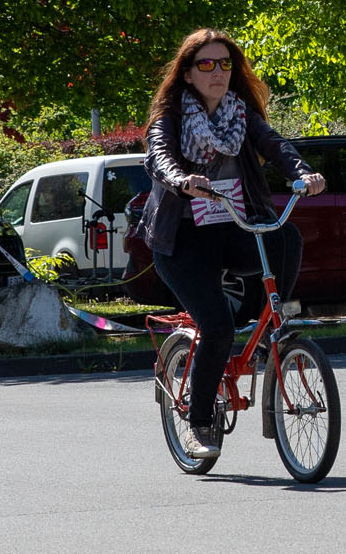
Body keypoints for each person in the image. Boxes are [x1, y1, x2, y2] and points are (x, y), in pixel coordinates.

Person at [139, 29, 326, 460]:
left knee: (287, 239)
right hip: (182, 239)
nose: (218, 72)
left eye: (225, 64)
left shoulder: (241, 114)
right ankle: (198, 423)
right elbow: (160, 156)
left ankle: (263, 324)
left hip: (235, 225)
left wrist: (302, 172)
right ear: (187, 73)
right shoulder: (169, 118)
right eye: (206, 64)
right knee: (216, 326)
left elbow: (274, 144)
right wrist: (183, 180)